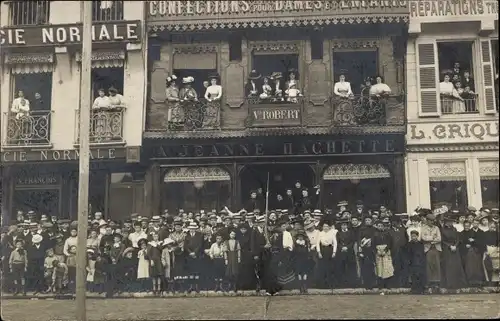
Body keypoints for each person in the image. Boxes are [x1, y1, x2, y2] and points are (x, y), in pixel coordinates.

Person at [440, 212, 467, 290]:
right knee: (449, 266)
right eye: (449, 221)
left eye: (451, 221)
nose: (450, 223)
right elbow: (442, 240)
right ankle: (449, 283)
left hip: (455, 248)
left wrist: (455, 245)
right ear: (446, 222)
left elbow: (457, 238)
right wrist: (450, 246)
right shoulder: (442, 230)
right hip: (447, 249)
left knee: (457, 265)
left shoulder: (454, 229)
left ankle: (458, 283)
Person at [460, 221, 485, 287]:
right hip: (465, 252)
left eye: (468, 226)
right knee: (468, 267)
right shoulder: (461, 233)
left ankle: (477, 281)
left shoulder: (473, 233)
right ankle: (469, 281)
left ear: (470, 226)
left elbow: (479, 242)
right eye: (465, 226)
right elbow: (460, 243)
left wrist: (473, 241)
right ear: (463, 226)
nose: (467, 227)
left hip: (475, 252)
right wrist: (465, 245)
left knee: (476, 266)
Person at [421, 213, 442, 291]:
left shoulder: (436, 228)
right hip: (428, 249)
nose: (432, 222)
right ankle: (429, 282)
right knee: (429, 265)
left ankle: (436, 283)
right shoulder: (423, 228)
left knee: (436, 265)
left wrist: (431, 240)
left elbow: (439, 238)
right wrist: (432, 237)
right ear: (427, 221)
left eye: (433, 221)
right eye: (430, 221)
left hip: (436, 248)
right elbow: (423, 238)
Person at [316, 219, 337, 289]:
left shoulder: (332, 233)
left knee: (330, 268)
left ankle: (330, 284)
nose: (325, 227)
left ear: (329, 227)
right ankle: (322, 285)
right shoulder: (320, 233)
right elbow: (317, 243)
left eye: (327, 226)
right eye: (324, 226)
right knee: (322, 267)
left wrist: (334, 252)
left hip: (330, 250)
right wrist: (319, 252)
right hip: (322, 250)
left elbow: (335, 243)